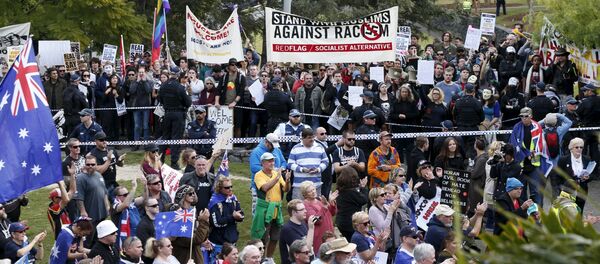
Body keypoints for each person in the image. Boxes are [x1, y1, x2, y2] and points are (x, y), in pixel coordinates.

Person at [251, 152, 290, 264]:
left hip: (276, 209)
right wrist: (277, 177)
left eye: (273, 160)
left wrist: (287, 181)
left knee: (275, 237)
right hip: (264, 209)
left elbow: (286, 189)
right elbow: (265, 188)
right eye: (269, 161)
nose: (272, 163)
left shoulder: (275, 173)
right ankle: (260, 259)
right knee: (262, 237)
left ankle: (269, 257)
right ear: (263, 163)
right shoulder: (258, 175)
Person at [509, 107, 547, 205]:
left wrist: (533, 153)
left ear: (531, 116)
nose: (524, 118)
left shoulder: (537, 127)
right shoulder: (517, 127)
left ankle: (538, 216)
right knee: (521, 193)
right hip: (521, 164)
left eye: (526, 116)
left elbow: (541, 143)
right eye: (521, 116)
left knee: (536, 192)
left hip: (534, 164)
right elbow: (513, 144)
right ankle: (523, 215)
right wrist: (526, 155)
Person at [158, 71, 192, 170]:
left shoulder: (163, 86)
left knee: (165, 137)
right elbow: (188, 102)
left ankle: (160, 160)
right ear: (177, 76)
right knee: (176, 139)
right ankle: (174, 162)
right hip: (178, 114)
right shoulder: (180, 87)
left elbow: (160, 99)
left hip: (167, 113)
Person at [75, 155, 110, 247]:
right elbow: (79, 197)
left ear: (96, 164)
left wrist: (107, 207)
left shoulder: (99, 175)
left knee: (99, 239)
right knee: (88, 241)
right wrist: (83, 211)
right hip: (90, 216)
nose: (90, 166)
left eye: (92, 164)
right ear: (85, 164)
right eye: (88, 164)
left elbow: (104, 192)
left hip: (101, 215)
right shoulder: (80, 178)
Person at [170, 185, 211, 264]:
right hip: (185, 258)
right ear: (183, 196)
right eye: (190, 193)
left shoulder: (193, 211)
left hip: (195, 255)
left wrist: (204, 239)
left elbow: (199, 237)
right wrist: (203, 222)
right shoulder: (179, 216)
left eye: (193, 193)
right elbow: (194, 239)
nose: (193, 195)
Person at [249, 133, 287, 215]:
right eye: (272, 145)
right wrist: (272, 170)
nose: (273, 147)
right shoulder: (256, 152)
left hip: (276, 186)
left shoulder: (276, 150)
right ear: (266, 142)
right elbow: (254, 167)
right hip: (260, 187)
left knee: (274, 211)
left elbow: (284, 162)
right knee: (259, 212)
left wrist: (282, 168)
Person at [287, 128, 329, 200]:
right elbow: (290, 164)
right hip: (299, 186)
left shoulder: (319, 147)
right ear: (303, 138)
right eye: (309, 138)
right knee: (299, 207)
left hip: (316, 185)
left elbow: (326, 161)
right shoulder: (295, 148)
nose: (312, 139)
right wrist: (302, 169)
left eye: (313, 137)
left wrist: (318, 169)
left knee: (316, 208)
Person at [555, 138, 595, 210]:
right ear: (571, 148)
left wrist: (588, 177)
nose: (579, 149)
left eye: (581, 147)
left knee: (579, 212)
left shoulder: (586, 159)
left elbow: (593, 174)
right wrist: (562, 188)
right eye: (576, 147)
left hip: (582, 191)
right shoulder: (563, 160)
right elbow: (557, 177)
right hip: (567, 192)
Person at [208, 177, 245, 253]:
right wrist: (233, 217)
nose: (230, 189)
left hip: (232, 242)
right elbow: (216, 223)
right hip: (219, 244)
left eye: (231, 186)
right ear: (219, 188)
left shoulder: (233, 199)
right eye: (227, 187)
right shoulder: (214, 202)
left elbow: (241, 214)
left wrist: (239, 217)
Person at [300, 181, 337, 253]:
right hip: (319, 237)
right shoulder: (306, 205)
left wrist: (332, 202)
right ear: (305, 194)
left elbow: (332, 213)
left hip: (329, 233)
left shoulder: (319, 200)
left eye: (313, 189)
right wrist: (324, 208)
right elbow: (315, 220)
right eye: (310, 191)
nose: (313, 192)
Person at [215, 58, 246, 138]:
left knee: (237, 126)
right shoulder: (224, 77)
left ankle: (237, 145)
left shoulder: (241, 77)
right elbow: (218, 90)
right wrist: (217, 102)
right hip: (224, 104)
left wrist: (234, 102)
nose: (235, 66)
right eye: (232, 65)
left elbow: (241, 92)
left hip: (237, 106)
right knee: (225, 126)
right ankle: (226, 144)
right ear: (228, 66)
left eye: (236, 65)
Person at [89, 131, 125, 198]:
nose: (104, 141)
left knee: (121, 199)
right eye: (101, 140)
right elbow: (98, 171)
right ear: (96, 141)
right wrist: (108, 160)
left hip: (113, 182)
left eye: (105, 139)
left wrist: (120, 161)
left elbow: (120, 164)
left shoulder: (112, 150)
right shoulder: (93, 154)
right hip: (101, 184)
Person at [279, 199, 317, 264]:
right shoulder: (288, 229)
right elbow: (305, 250)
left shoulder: (302, 224)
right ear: (294, 212)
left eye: (305, 208)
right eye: (302, 209)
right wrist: (311, 229)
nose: (305, 211)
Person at [111, 179, 146, 246]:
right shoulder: (114, 206)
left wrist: (145, 186)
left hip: (136, 235)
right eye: (125, 195)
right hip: (123, 239)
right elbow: (125, 205)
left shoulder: (131, 202)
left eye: (128, 194)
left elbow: (144, 199)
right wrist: (134, 188)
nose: (127, 196)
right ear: (117, 197)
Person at [576, 84, 600, 166]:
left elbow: (577, 113)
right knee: (595, 150)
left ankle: (583, 169)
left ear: (590, 91)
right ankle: (596, 170)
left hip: (585, 130)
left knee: (583, 150)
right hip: (597, 129)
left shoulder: (585, 102)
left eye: (585, 90)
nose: (583, 92)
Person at [129, 66, 154, 145]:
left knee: (145, 126)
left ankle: (146, 143)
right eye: (140, 72)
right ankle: (136, 143)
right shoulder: (134, 82)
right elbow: (132, 91)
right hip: (136, 107)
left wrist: (144, 81)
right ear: (137, 73)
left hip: (146, 106)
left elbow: (148, 90)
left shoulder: (149, 82)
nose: (141, 74)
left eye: (142, 72)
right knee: (137, 126)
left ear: (145, 73)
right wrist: (137, 81)